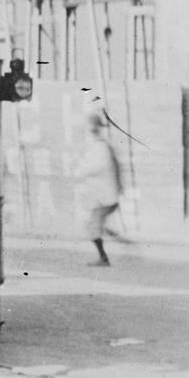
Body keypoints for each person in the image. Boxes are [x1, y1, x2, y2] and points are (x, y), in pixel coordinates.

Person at [80, 109, 124, 266]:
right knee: (94, 224)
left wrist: (82, 170)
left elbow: (96, 167)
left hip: (104, 196)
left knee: (92, 227)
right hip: (103, 195)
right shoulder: (101, 145)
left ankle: (103, 258)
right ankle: (108, 232)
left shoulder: (99, 146)